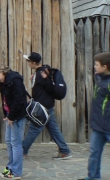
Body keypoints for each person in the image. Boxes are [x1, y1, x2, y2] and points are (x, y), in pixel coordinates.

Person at [22, 52, 72, 160]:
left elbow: (49, 88)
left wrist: (44, 79)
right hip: (46, 106)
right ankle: (65, 151)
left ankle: (22, 151)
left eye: (29, 61)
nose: (27, 63)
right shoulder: (40, 72)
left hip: (42, 107)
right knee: (53, 129)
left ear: (34, 62)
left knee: (34, 129)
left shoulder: (42, 74)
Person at [0, 64, 27, 179]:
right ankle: (10, 167)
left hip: (17, 116)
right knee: (9, 142)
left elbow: (19, 100)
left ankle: (16, 171)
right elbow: (4, 99)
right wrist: (7, 115)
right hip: (9, 115)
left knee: (16, 143)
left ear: (0, 71)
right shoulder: (3, 82)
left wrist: (12, 117)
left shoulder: (15, 80)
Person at [78, 52, 110, 180]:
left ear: (105, 66)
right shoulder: (100, 78)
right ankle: (93, 177)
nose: (94, 67)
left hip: (108, 126)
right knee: (94, 153)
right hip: (98, 126)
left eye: (97, 65)